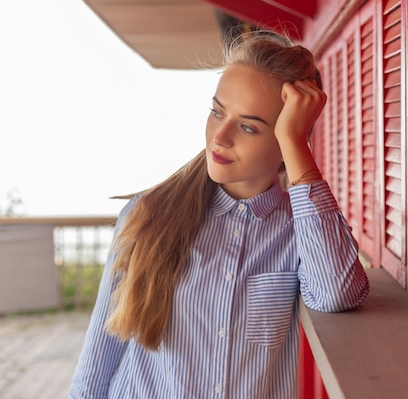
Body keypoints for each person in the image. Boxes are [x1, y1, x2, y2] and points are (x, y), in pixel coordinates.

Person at [68, 30, 370, 399]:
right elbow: (102, 351)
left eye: (248, 126)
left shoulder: (302, 231)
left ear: (287, 138)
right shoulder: (146, 214)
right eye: (217, 112)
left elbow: (336, 294)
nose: (220, 138)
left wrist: (296, 143)